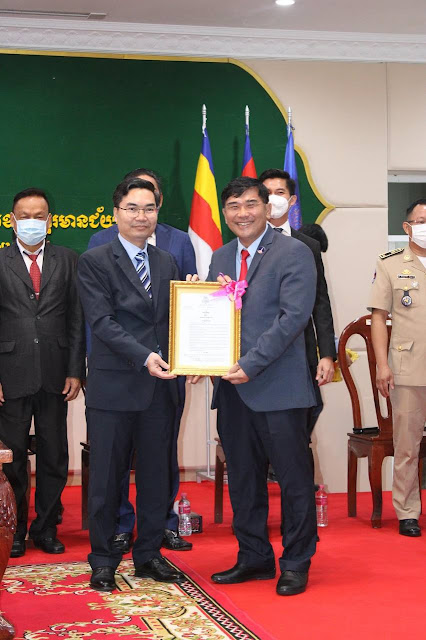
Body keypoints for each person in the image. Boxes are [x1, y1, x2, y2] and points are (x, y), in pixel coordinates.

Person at [207, 177, 318, 596]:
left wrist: (250, 365)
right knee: (242, 478)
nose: (243, 213)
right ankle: (253, 556)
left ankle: (296, 561)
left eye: (251, 204)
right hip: (232, 389)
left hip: (279, 387)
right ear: (225, 213)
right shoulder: (221, 255)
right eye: (233, 206)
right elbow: (215, 317)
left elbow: (293, 318)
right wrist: (202, 358)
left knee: (293, 479)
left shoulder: (294, 252)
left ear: (267, 207)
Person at [78, 177, 185, 592]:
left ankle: (149, 554)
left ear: (158, 212)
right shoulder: (95, 260)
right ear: (116, 212)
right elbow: (102, 322)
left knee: (157, 477)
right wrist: (144, 356)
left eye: (149, 208)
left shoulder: (166, 261)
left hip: (160, 390)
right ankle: (103, 560)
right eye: (132, 208)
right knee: (107, 479)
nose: (142, 216)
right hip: (114, 388)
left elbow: (171, 319)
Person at [0, 187, 85, 558]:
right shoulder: (0, 260)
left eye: (39, 216)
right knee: (13, 458)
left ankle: (46, 528)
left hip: (55, 374)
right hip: (10, 375)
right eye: (25, 216)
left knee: (54, 456)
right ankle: (15, 530)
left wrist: (75, 370)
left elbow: (77, 320)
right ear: (12, 220)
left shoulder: (68, 260)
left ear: (49, 221)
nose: (32, 222)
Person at [259, 169, 336, 438]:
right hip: (258, 349)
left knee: (307, 413)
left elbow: (320, 302)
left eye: (279, 192)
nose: (273, 198)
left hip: (301, 349)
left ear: (292, 200)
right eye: (267, 193)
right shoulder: (246, 243)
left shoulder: (308, 246)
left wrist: (327, 354)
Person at [370, 198, 426, 538]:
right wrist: (382, 364)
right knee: (407, 445)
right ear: (407, 227)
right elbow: (378, 317)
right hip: (409, 367)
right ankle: (407, 512)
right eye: (421, 221)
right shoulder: (390, 263)